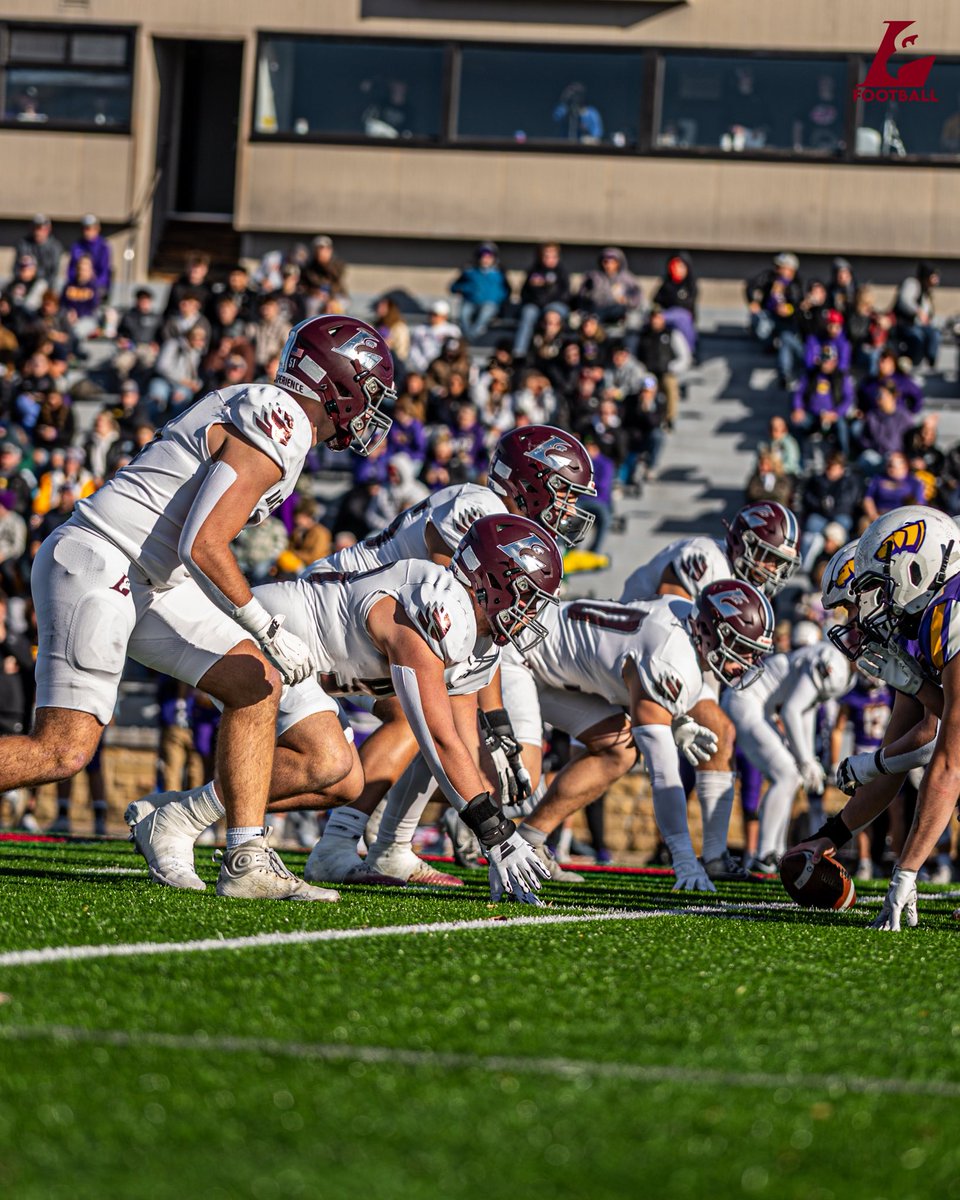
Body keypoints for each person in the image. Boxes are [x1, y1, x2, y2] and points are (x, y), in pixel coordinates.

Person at [0, 314, 394, 901]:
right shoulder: (279, 418)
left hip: (151, 574)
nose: (369, 409)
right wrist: (265, 624)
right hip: (106, 559)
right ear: (337, 384)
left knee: (255, 681)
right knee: (62, 749)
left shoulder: (272, 415)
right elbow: (203, 542)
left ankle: (245, 858)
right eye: (367, 392)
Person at [129, 514, 562, 903]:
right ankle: (188, 825)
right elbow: (437, 737)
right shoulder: (439, 602)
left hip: (306, 671)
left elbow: (462, 742)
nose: (533, 610)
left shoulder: (480, 644)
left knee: (345, 783)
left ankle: (177, 814)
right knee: (328, 758)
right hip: (264, 639)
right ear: (494, 580)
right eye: (530, 594)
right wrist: (495, 834)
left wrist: (493, 829)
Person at [502, 579, 775, 890]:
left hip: (555, 667)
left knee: (617, 750)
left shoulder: (684, 621)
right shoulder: (671, 657)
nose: (748, 662)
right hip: (519, 655)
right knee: (516, 774)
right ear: (712, 633)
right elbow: (663, 773)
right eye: (743, 648)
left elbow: (631, 670)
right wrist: (684, 857)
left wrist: (674, 720)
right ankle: (465, 812)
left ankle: (529, 840)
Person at [795, 506, 958, 930]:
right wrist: (833, 834)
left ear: (913, 569)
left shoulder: (950, 611)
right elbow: (924, 731)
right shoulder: (920, 629)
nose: (858, 617)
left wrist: (905, 872)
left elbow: (947, 754)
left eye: (865, 595)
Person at [723, 636, 851, 872]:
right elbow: (792, 710)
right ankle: (765, 854)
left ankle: (775, 850)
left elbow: (805, 711)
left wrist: (808, 758)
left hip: (759, 706)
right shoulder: (831, 661)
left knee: (790, 776)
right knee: (787, 775)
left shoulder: (831, 659)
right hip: (746, 702)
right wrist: (805, 760)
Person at [745, 252, 804, 385]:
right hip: (769, 317)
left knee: (786, 341)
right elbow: (751, 286)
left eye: (780, 266)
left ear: (790, 269)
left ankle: (785, 374)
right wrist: (753, 301)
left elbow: (799, 305)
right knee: (760, 323)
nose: (777, 269)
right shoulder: (769, 277)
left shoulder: (796, 284)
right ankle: (769, 344)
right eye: (776, 266)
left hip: (787, 323)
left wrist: (788, 309)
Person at [512, 243, 571, 360]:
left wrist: (549, 304)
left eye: (553, 256)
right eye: (546, 256)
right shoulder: (533, 272)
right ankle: (519, 352)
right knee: (528, 313)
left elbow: (566, 294)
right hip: (536, 305)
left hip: (556, 305)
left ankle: (552, 347)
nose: (549, 259)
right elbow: (524, 293)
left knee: (552, 316)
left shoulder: (561, 273)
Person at [449, 242, 510, 342]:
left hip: (490, 304)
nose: (485, 260)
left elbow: (507, 291)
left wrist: (500, 301)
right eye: (483, 256)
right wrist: (467, 288)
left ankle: (468, 338)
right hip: (471, 302)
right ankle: (468, 337)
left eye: (489, 257)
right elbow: (454, 287)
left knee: (486, 313)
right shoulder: (469, 271)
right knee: (464, 314)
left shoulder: (499, 273)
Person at [577, 248, 643, 338]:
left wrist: (627, 301)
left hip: (618, 312)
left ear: (618, 263)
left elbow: (637, 297)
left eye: (612, 262)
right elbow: (583, 296)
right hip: (597, 311)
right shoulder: (594, 277)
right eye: (606, 262)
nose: (608, 265)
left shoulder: (627, 279)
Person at [893, 261, 940, 367]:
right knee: (918, 337)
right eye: (933, 276)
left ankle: (930, 362)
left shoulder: (926, 291)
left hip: (918, 325)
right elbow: (904, 301)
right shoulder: (912, 283)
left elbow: (928, 313)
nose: (936, 280)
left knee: (935, 334)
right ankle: (913, 365)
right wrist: (918, 311)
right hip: (903, 324)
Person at [652, 253, 698, 356]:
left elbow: (685, 306)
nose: (677, 269)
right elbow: (656, 301)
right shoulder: (666, 284)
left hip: (683, 325)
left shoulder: (690, 285)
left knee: (681, 317)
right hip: (666, 325)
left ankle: (690, 354)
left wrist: (664, 317)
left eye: (680, 266)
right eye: (674, 266)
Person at [862, 451, 925, 521]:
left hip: (903, 517)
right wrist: (873, 516)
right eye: (889, 464)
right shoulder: (878, 479)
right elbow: (868, 498)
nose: (890, 466)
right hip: (879, 516)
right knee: (864, 522)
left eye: (892, 465)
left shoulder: (914, 482)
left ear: (905, 466)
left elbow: (920, 505)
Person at [406, 301, 462, 375]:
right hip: (424, 369)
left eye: (435, 315)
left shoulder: (453, 330)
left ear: (445, 316)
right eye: (431, 314)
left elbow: (455, 350)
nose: (432, 317)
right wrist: (423, 365)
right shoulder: (420, 329)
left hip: (445, 370)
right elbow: (414, 350)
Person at [66, 215, 112, 301]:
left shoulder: (103, 247)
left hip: (97, 286)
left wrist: (93, 285)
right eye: (84, 228)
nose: (86, 232)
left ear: (97, 229)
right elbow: (71, 270)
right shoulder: (77, 246)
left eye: (89, 228)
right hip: (78, 285)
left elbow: (104, 272)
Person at [16, 216, 63, 290]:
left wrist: (35, 273)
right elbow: (17, 267)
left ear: (48, 229)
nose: (37, 232)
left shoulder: (55, 247)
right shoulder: (24, 243)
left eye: (41, 228)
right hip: (24, 281)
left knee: (41, 286)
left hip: (46, 283)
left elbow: (53, 272)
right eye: (35, 228)